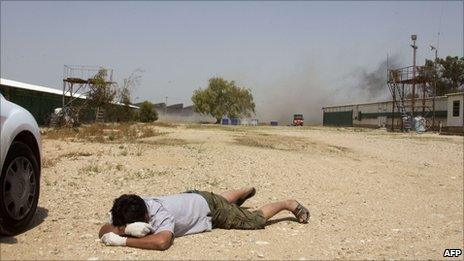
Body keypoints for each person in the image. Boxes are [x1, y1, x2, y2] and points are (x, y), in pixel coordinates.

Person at [98, 187, 310, 250]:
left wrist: (123, 240)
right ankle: (241, 192)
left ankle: (287, 203)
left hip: (210, 209)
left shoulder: (160, 214)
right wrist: (124, 229)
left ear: (145, 217)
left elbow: (162, 242)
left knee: (254, 221)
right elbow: (104, 228)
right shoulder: (128, 205)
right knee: (218, 200)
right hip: (195, 197)